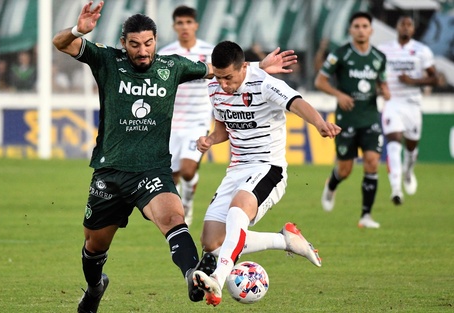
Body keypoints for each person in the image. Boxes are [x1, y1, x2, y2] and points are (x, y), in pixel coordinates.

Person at [52, 2, 299, 312]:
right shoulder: (106, 60)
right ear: (123, 42)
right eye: (134, 44)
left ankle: (193, 276)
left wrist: (259, 65)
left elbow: (218, 69)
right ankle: (94, 287)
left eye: (148, 43)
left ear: (155, 40)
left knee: (173, 218)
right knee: (95, 245)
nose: (143, 50)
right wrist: (78, 30)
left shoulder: (172, 66)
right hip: (109, 172)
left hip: (152, 170)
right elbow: (60, 44)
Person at [192, 40, 341, 307]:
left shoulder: (263, 83)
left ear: (244, 67)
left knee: (238, 211)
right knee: (212, 242)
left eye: (229, 78)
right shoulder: (214, 87)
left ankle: (217, 278)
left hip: (267, 167)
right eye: (218, 76)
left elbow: (297, 102)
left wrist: (320, 123)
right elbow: (223, 128)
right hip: (236, 169)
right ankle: (285, 240)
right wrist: (209, 140)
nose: (224, 84)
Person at [314, 12, 390, 228]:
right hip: (345, 120)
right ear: (350, 30)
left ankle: (366, 215)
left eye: (365, 26)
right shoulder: (340, 55)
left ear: (371, 30)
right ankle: (331, 185)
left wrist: (385, 92)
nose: (360, 30)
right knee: (345, 169)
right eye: (356, 26)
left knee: (372, 162)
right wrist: (339, 95)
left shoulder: (378, 57)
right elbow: (319, 81)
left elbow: (382, 83)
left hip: (370, 117)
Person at [157, 5, 215, 226]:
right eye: (180, 23)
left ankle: (188, 204)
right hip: (171, 124)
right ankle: (179, 210)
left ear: (196, 25)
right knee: (172, 177)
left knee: (189, 170)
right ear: (174, 26)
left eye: (188, 22)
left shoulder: (210, 52)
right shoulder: (165, 54)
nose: (185, 27)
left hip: (197, 122)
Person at [377, 16, 438, 205]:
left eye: (409, 25)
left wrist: (414, 82)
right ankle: (396, 190)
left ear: (413, 29)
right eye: (402, 24)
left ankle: (409, 172)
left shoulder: (422, 51)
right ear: (396, 27)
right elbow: (375, 73)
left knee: (411, 148)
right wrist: (381, 88)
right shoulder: (384, 50)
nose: (405, 27)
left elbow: (435, 78)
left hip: (412, 104)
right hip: (393, 103)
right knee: (394, 145)